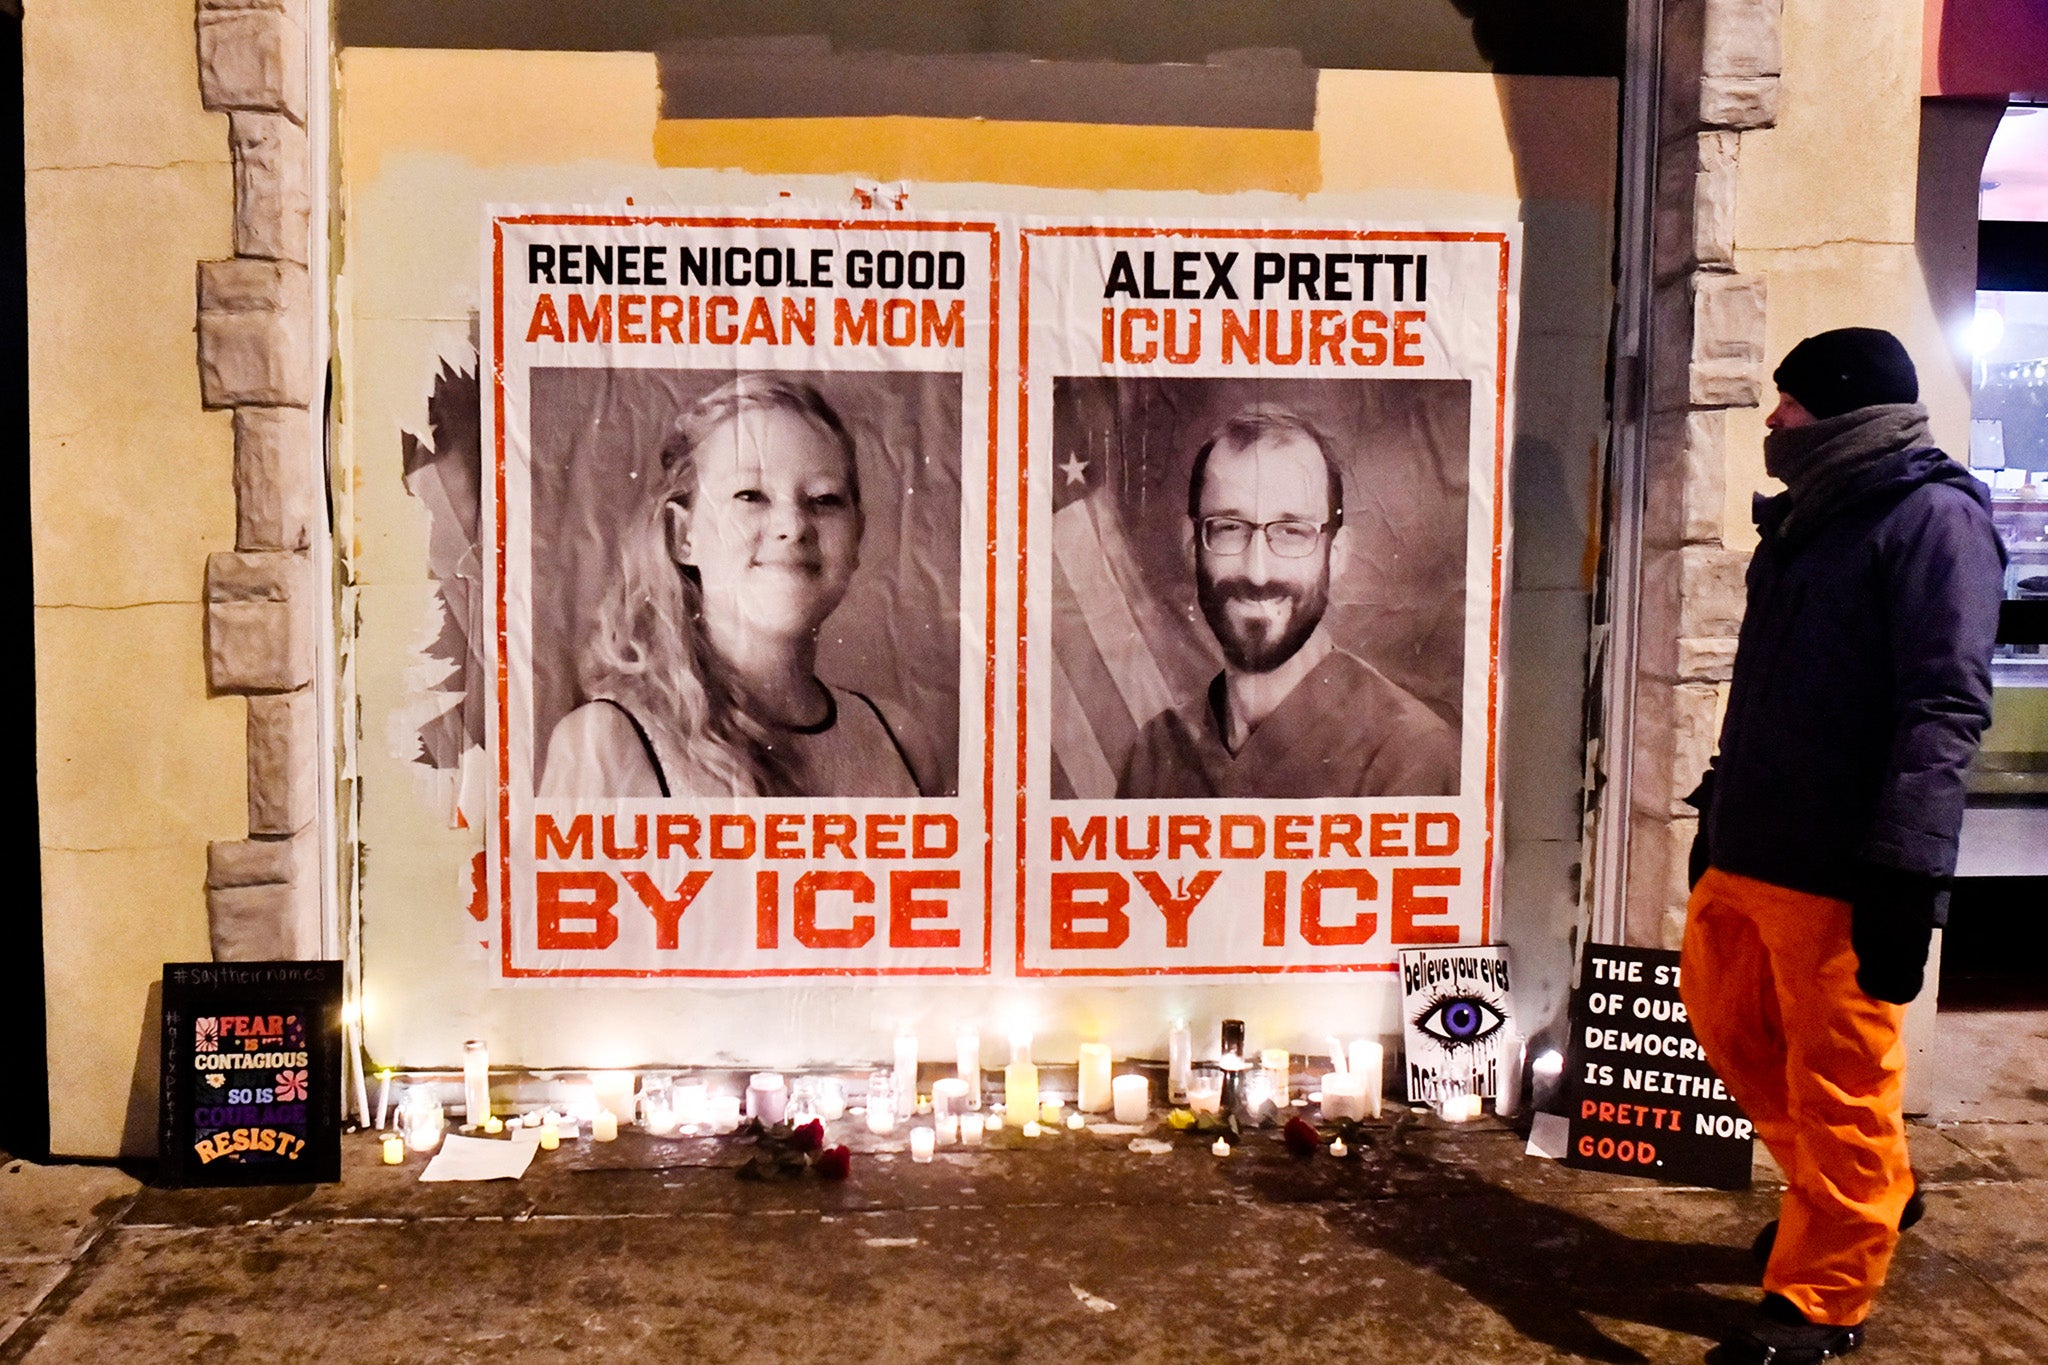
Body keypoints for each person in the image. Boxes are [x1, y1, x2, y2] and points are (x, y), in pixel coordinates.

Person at [1681, 329, 2005, 1365]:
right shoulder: (1809, 521)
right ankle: (1859, 1196)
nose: (1773, 420)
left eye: (1790, 403)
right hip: (1749, 845)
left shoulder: (1932, 521)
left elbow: (1941, 707)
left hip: (1838, 864)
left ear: (1845, 409)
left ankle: (1824, 1295)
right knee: (1728, 1028)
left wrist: (1906, 873)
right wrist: (1717, 808)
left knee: (1838, 1079)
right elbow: (1766, 691)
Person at [540, 375, 920, 799]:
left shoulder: (902, 741)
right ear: (683, 537)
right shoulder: (606, 745)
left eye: (824, 499)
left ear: (857, 537)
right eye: (750, 495)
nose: (793, 526)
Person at [1116, 407, 1459, 799]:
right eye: (1229, 528)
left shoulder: (1410, 755)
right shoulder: (1157, 754)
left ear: (1336, 554)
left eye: (1292, 532)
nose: (1257, 572)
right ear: (1193, 544)